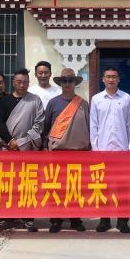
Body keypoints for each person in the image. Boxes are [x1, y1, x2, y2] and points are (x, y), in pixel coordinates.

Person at [0, 68, 45, 232]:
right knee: (7, 184)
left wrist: (21, 142)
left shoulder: (35, 100)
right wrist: (10, 141)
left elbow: (39, 124)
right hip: (7, 148)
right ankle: (7, 217)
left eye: (25, 82)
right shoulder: (4, 101)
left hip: (27, 149)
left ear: (29, 83)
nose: (22, 85)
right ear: (13, 82)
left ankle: (28, 218)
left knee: (27, 184)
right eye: (19, 82)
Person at [42, 68, 90, 233]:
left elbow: (89, 128)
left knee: (75, 188)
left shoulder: (83, 104)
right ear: (60, 83)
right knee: (56, 187)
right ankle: (56, 219)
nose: (67, 83)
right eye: (64, 81)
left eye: (70, 80)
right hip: (57, 153)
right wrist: (45, 147)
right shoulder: (53, 103)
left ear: (75, 83)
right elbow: (46, 127)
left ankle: (75, 219)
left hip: (78, 153)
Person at [90, 67, 130, 233]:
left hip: (122, 150)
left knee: (123, 187)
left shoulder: (126, 98)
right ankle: (104, 219)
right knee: (103, 186)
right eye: (108, 77)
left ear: (119, 79)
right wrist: (95, 149)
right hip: (103, 150)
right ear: (103, 79)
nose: (111, 79)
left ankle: (123, 220)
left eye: (114, 76)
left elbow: (129, 124)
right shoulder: (96, 99)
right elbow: (93, 126)